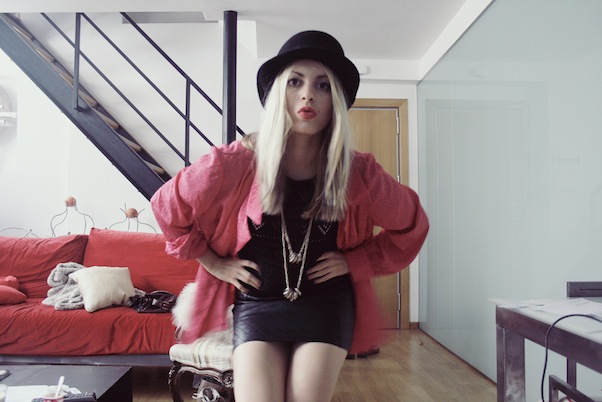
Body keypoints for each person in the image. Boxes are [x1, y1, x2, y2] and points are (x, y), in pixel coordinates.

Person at [151, 30, 429, 402]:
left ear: (336, 101)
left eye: (323, 85)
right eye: (295, 82)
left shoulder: (359, 172)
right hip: (257, 305)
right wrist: (214, 263)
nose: (308, 94)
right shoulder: (234, 162)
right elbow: (167, 207)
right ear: (278, 92)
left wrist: (356, 261)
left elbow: (412, 223)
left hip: (326, 304)